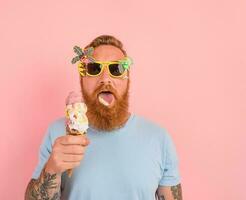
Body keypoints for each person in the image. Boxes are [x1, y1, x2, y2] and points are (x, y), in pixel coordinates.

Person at [25, 35, 183, 200]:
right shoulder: (58, 133)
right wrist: (52, 168)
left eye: (116, 69)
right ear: (82, 79)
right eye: (94, 69)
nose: (105, 79)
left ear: (127, 79)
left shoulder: (158, 138)